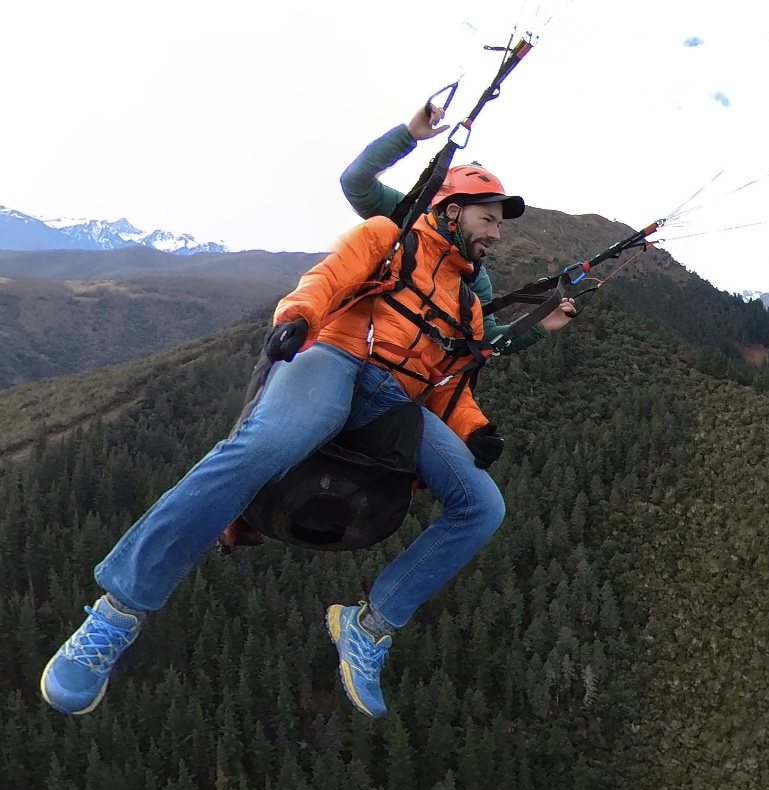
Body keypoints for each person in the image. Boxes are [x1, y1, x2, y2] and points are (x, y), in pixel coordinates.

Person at [41, 158, 576, 722]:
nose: (495, 232)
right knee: (262, 448)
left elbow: (447, 383)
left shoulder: (467, 304)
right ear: (450, 210)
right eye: (488, 218)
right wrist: (298, 316)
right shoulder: (388, 238)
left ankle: (369, 626)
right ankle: (116, 613)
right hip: (335, 358)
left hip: (393, 403)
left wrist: (475, 429)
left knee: (483, 506)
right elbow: (327, 277)